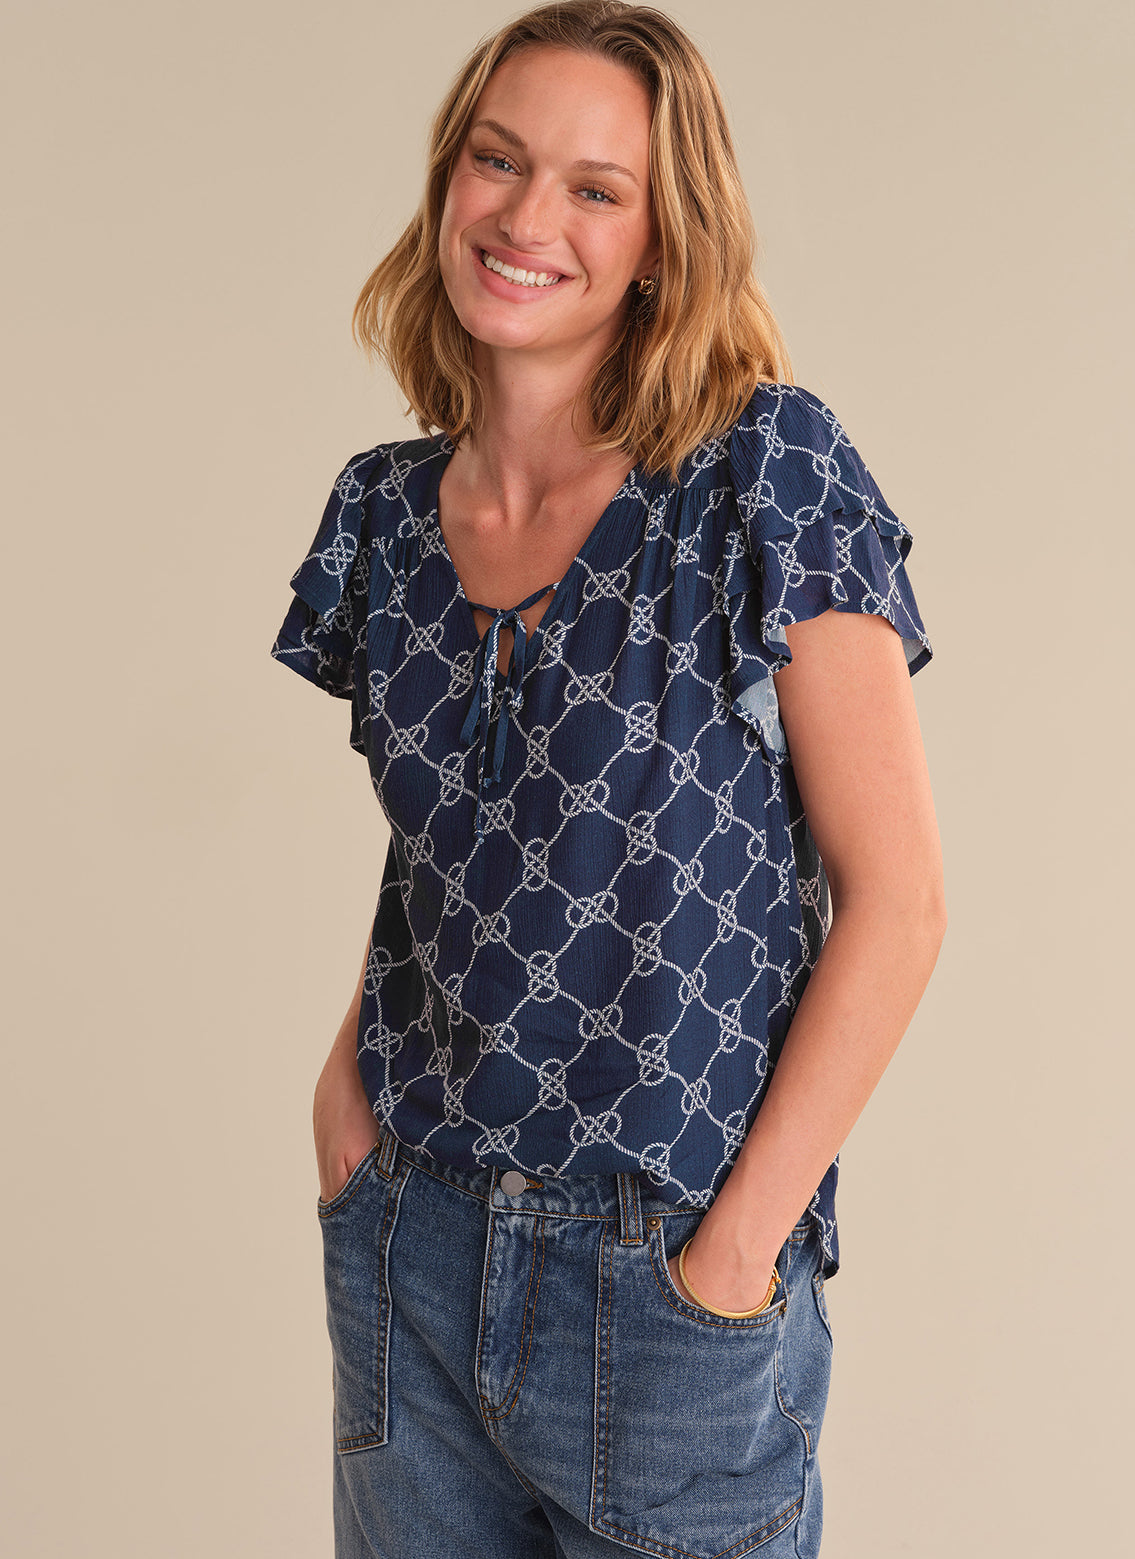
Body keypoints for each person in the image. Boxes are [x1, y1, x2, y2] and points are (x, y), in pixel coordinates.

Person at [270, 3, 945, 1555]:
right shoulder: (381, 516)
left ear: (661, 236)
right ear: (450, 180)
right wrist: (344, 1107)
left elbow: (899, 904)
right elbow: (453, 860)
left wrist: (732, 1256)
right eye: (498, 162)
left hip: (663, 1276)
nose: (525, 218)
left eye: (594, 186)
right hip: (411, 1251)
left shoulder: (763, 471)